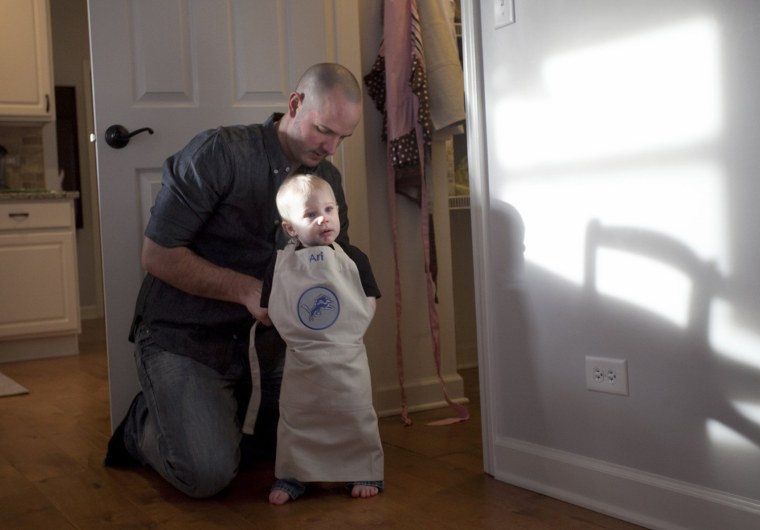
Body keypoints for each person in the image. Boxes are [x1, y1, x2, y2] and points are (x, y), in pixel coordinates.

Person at [103, 63, 364, 499]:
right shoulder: (219, 152)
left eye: (343, 138)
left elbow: (332, 262)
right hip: (185, 337)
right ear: (295, 105)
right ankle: (140, 426)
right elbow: (157, 255)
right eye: (324, 130)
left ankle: (226, 415)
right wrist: (247, 291)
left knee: (313, 447)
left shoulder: (326, 181)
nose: (332, 147)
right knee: (208, 473)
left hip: (268, 349)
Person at [253, 174, 383, 505]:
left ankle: (364, 468)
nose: (324, 218)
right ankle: (293, 475)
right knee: (298, 416)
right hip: (300, 358)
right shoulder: (280, 264)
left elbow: (369, 299)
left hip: (347, 355)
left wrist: (346, 332)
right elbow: (269, 308)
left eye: (329, 209)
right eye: (311, 214)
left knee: (354, 411)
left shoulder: (354, 257)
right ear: (290, 228)